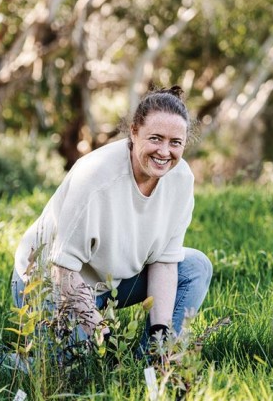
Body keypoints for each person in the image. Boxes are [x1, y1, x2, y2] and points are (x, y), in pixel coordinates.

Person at [11, 86, 213, 358]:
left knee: (195, 266)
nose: (165, 152)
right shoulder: (95, 176)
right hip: (47, 285)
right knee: (73, 373)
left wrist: (160, 332)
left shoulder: (180, 180)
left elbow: (164, 262)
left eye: (175, 142)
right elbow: (62, 271)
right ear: (133, 132)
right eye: (155, 138)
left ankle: (152, 362)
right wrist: (100, 331)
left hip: (109, 282)